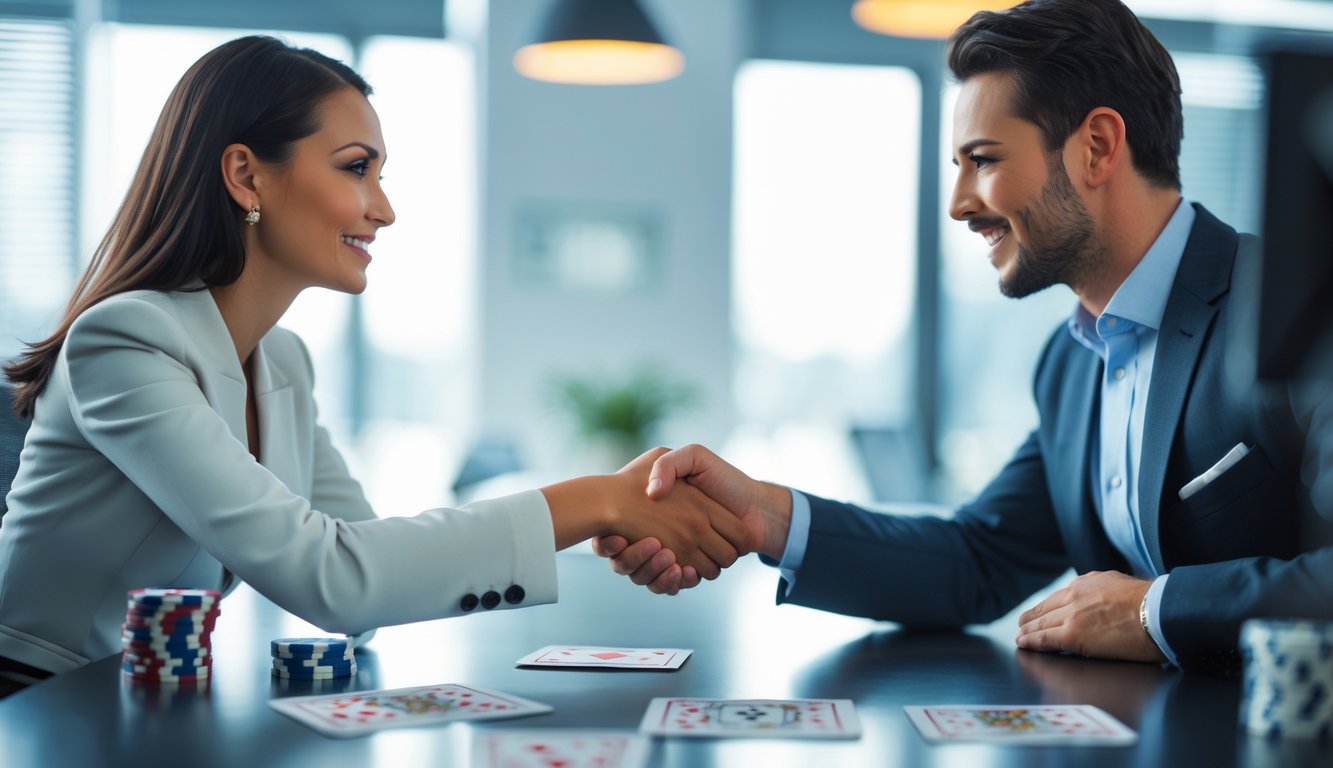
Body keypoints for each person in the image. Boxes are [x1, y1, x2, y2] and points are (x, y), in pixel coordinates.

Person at [596, 0, 1333, 673]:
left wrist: (1151, 608)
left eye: (982, 160)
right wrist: (764, 516)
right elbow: (979, 560)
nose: (957, 204)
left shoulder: (1296, 306)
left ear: (1097, 148)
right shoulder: (1070, 365)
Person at [0, 36, 748, 697]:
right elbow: (336, 581)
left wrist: (602, 512)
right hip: (36, 704)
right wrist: (599, 500)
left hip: (142, 701)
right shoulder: (125, 342)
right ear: (246, 176)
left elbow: (365, 557)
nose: (383, 209)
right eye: (357, 168)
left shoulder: (282, 361)